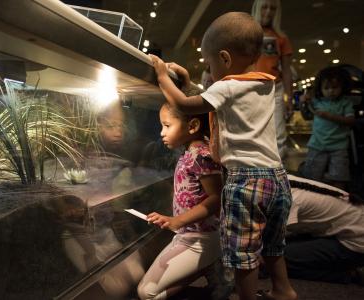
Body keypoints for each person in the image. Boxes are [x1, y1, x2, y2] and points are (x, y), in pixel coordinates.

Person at [149, 12, 297, 300]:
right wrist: (190, 79)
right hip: (277, 177)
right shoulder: (265, 84)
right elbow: (212, 99)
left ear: (225, 59)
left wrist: (162, 76)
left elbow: (186, 104)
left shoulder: (226, 86)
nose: (209, 68)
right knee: (272, 243)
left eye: (209, 62)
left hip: (247, 181)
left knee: (242, 250)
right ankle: (284, 290)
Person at [137, 103, 224, 299]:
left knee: (146, 293)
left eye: (167, 126)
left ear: (192, 126)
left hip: (202, 237)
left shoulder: (201, 155)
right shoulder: (191, 151)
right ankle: (206, 267)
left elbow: (217, 198)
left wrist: (177, 221)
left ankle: (209, 264)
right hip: (188, 234)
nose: (161, 132)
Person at [284, 174, 364, 284]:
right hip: (339, 231)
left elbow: (269, 244)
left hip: (355, 244)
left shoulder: (286, 198)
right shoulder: (281, 180)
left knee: (277, 261)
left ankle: (351, 275)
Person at [252, 0, 294, 159]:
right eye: (265, 7)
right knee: (253, 131)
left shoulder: (281, 38)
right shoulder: (248, 34)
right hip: (251, 87)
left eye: (273, 8)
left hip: (275, 88)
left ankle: (279, 175)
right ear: (258, 8)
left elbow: (287, 70)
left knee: (278, 135)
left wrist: (289, 98)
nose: (268, 12)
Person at [301, 66, 355, 190]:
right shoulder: (317, 102)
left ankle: (339, 200)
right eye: (326, 88)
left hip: (339, 147)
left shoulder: (345, 102)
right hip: (317, 145)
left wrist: (329, 116)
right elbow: (307, 116)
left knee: (339, 177)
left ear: (342, 86)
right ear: (320, 88)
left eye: (335, 87)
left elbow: (351, 121)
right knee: (312, 177)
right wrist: (303, 103)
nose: (331, 91)